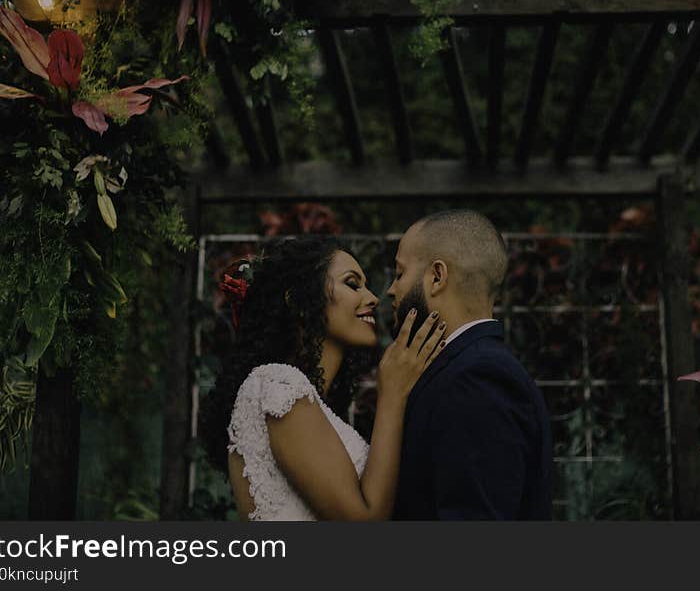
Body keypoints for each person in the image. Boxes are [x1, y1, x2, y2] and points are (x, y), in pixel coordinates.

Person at [201, 237, 446, 520]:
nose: (373, 298)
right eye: (352, 284)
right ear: (300, 302)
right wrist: (391, 395)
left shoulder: (308, 402)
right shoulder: (279, 385)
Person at [388, 210, 553, 519]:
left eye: (399, 274)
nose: (391, 290)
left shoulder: (477, 378)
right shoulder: (467, 369)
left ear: (437, 277)